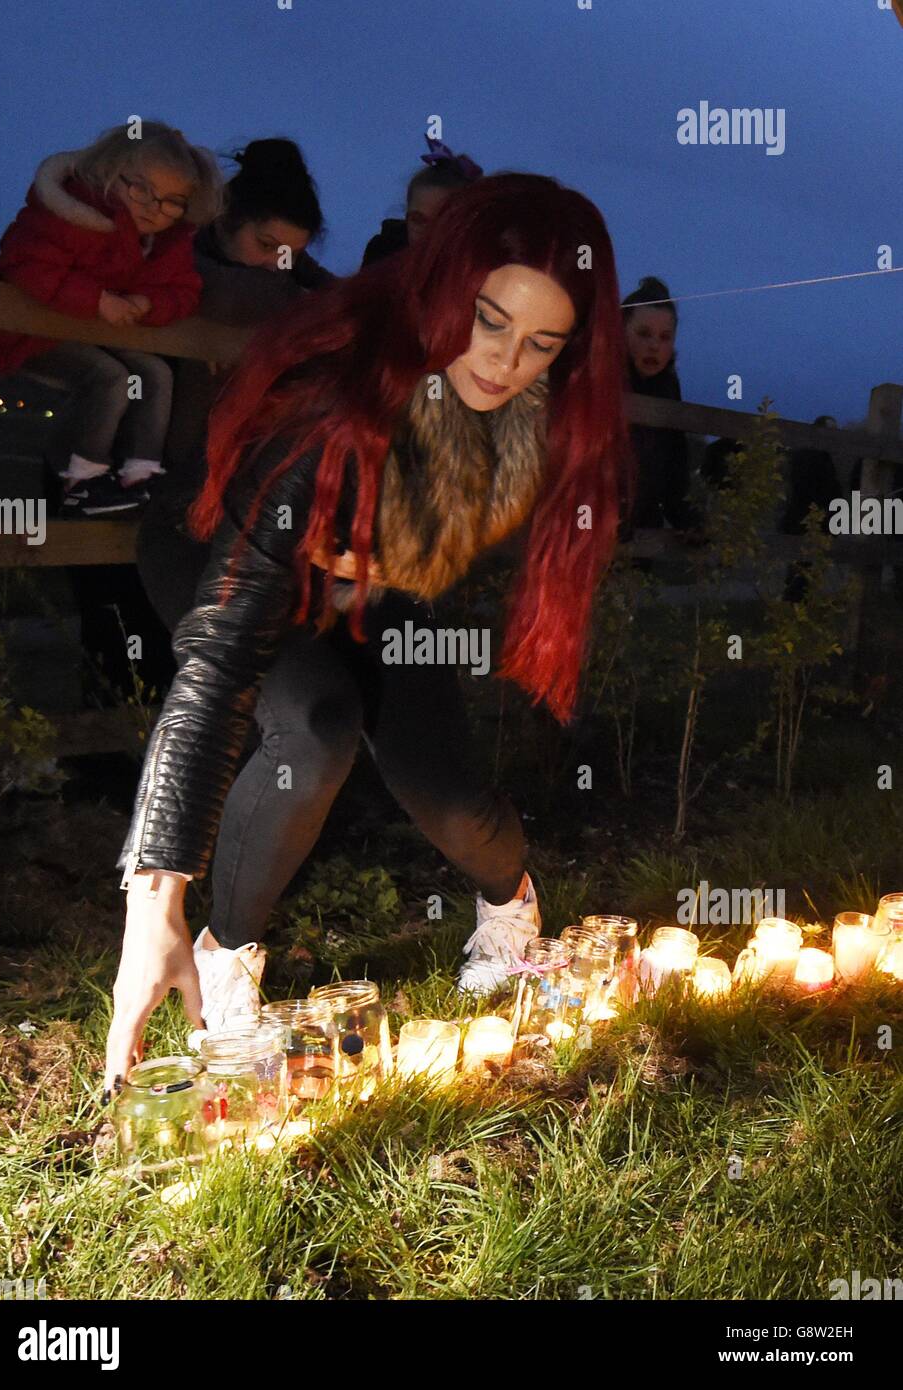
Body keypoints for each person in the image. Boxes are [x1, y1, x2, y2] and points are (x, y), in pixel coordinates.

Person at [102, 172, 628, 1097]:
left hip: (375, 581)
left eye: (541, 343)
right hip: (229, 544)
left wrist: (382, 568)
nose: (504, 362)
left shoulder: (533, 430)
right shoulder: (327, 407)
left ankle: (511, 912)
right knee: (313, 723)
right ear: (438, 287)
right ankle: (222, 956)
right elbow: (221, 664)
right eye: (489, 320)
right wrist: (155, 903)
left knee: (447, 788)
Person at [0, 122, 221, 517]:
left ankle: (141, 472)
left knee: (154, 373)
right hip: (26, 334)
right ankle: (82, 478)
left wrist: (148, 303)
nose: (153, 208)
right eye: (141, 189)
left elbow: (183, 291)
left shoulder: (167, 244)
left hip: (89, 335)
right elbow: (25, 265)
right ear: (109, 173)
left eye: (172, 201)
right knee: (111, 377)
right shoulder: (68, 214)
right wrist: (96, 301)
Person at [139, 138, 335, 632]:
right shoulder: (176, 253)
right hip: (157, 469)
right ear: (226, 219)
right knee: (136, 610)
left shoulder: (280, 268)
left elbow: (331, 295)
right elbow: (229, 294)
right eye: (266, 246)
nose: (276, 263)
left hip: (229, 475)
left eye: (290, 255)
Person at [621, 276, 700, 538]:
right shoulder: (599, 379)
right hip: (590, 524)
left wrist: (681, 513)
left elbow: (674, 454)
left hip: (644, 524)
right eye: (644, 334)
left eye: (665, 337)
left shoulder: (668, 385)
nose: (655, 345)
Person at [361, 136, 482, 266]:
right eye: (418, 220)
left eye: (442, 221)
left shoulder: (486, 271)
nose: (427, 232)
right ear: (407, 217)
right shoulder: (383, 258)